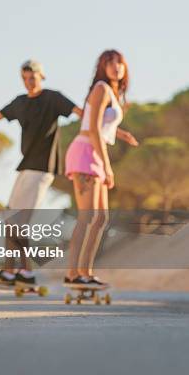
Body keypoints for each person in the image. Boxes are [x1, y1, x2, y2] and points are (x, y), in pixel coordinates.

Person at [0, 60, 81, 288]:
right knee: (11, 218)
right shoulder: (20, 103)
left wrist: (108, 126)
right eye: (25, 78)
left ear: (42, 76)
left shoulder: (53, 98)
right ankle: (12, 273)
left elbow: (81, 113)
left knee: (20, 220)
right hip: (25, 166)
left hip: (42, 168)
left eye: (33, 78)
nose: (29, 82)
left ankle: (23, 273)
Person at [64, 50, 138, 287]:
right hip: (86, 152)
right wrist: (107, 167)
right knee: (87, 217)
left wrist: (120, 133)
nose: (116, 66)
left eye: (119, 62)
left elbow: (98, 123)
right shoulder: (101, 89)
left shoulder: (112, 94)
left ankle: (85, 272)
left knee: (100, 218)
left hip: (94, 151)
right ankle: (73, 274)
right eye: (110, 63)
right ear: (102, 68)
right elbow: (93, 129)